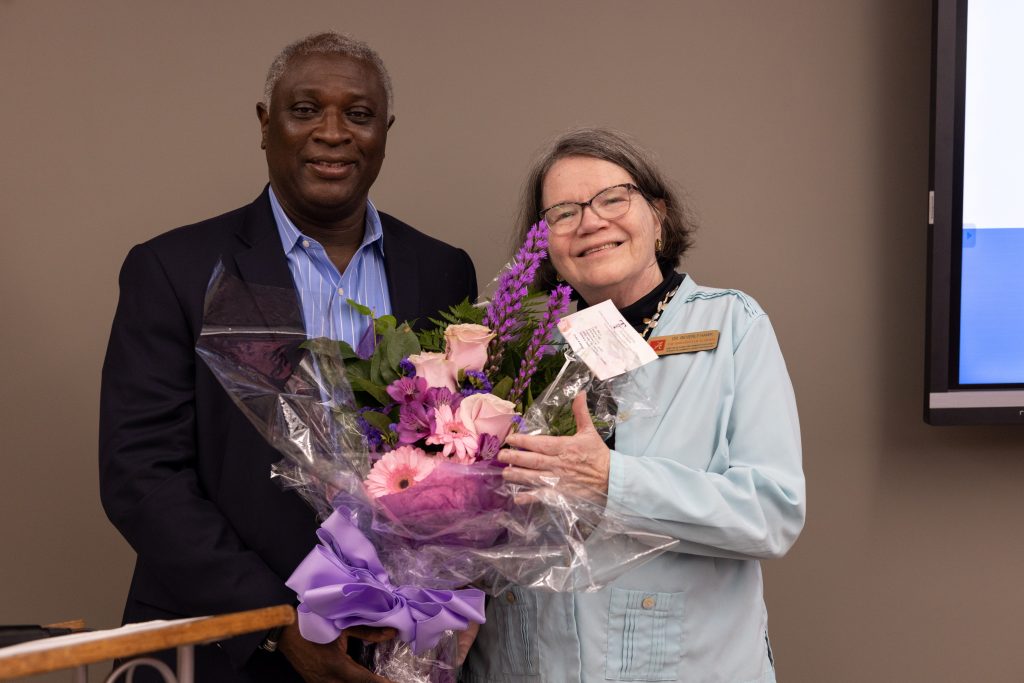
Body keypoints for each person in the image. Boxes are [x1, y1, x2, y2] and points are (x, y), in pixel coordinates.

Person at [99, 32, 477, 683]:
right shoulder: (175, 269)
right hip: (223, 646)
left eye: (358, 114)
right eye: (306, 109)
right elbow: (142, 475)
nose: (333, 133)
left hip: (393, 655)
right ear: (265, 124)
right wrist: (276, 622)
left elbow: (465, 467)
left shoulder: (442, 271)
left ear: (384, 131)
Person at [462, 129, 805, 682]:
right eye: (563, 212)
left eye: (612, 199)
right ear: (544, 241)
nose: (591, 222)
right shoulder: (509, 348)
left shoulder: (731, 325)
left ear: (658, 214)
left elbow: (772, 514)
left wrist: (610, 481)